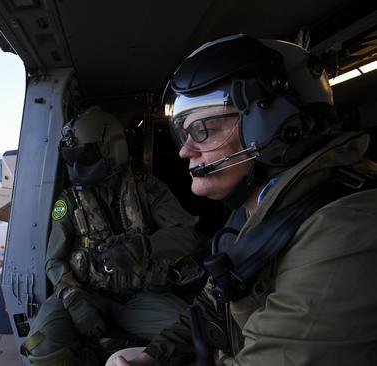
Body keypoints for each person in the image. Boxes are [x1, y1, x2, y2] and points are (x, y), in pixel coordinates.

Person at [111, 34, 377, 366]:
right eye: (184, 133)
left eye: (203, 129)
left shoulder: (345, 227)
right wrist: (153, 356)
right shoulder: (260, 208)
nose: (184, 150)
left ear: (274, 125)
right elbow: (213, 304)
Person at [19, 106, 204, 366]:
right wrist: (72, 298)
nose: (76, 166)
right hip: (87, 293)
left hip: (139, 296)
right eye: (72, 157)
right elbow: (54, 261)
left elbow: (187, 236)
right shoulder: (69, 202)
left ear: (112, 150)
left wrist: (143, 247)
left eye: (85, 156)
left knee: (200, 333)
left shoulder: (147, 189)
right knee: (40, 346)